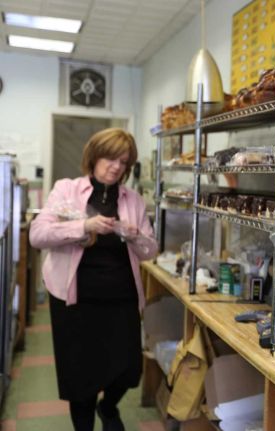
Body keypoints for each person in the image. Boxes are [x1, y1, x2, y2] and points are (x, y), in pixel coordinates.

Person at [30, 128, 158, 431]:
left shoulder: (134, 201)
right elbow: (38, 235)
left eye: (123, 162)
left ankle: (109, 407)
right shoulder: (66, 190)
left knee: (129, 370)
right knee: (81, 378)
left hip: (121, 299)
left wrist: (134, 236)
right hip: (75, 300)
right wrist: (84, 226)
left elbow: (150, 250)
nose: (116, 166)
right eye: (110, 158)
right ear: (94, 155)